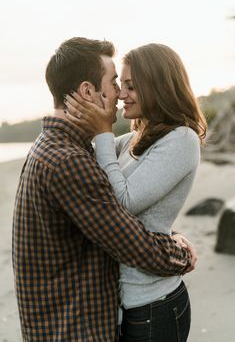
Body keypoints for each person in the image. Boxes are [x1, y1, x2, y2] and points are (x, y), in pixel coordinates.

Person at [12, 38, 195, 342]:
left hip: (86, 321)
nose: (120, 94)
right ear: (87, 91)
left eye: (129, 86)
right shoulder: (69, 161)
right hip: (72, 329)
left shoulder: (55, 149)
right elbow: (135, 244)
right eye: (114, 83)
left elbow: (119, 218)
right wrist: (182, 254)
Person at [64, 43, 207, 342]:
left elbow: (122, 202)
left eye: (130, 86)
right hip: (126, 303)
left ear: (158, 85)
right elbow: (95, 171)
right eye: (120, 84)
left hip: (155, 304)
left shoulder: (182, 139)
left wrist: (103, 131)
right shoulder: (136, 137)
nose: (120, 94)